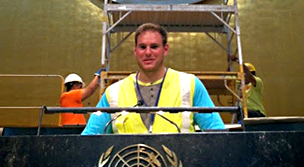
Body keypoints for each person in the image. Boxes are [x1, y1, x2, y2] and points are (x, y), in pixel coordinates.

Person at [82, 23, 225, 134]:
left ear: (166, 49)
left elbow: (217, 134)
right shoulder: (113, 93)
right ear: (135, 51)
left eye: (154, 46)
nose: (148, 52)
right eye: (142, 47)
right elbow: (89, 139)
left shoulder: (190, 85)